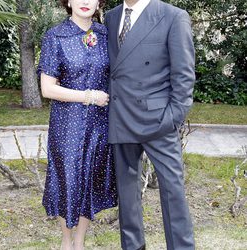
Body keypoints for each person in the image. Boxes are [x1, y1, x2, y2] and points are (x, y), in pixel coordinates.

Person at [105, 0, 195, 249]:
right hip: (122, 117)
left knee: (173, 192)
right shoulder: (111, 17)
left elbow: (184, 75)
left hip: (159, 121)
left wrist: (172, 118)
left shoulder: (173, 16)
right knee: (127, 196)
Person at [37, 0, 117, 249]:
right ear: (68, 2)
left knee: (89, 181)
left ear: (99, 2)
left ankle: (80, 243)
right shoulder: (55, 36)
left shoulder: (105, 35)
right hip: (66, 123)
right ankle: (66, 242)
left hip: (99, 124)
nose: (85, 1)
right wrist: (88, 96)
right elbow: (47, 88)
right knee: (68, 181)